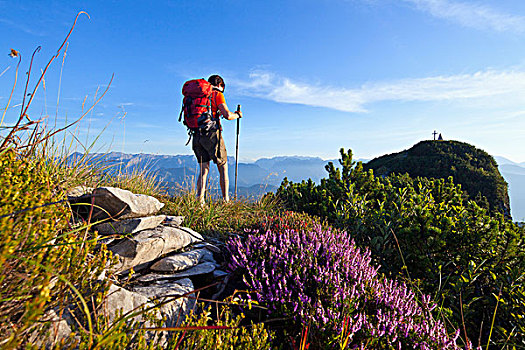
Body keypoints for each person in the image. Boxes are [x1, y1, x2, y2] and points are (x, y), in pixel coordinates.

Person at [192, 74, 242, 204]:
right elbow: (226, 115)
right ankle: (226, 201)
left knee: (204, 169)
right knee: (223, 166)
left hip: (196, 133)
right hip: (212, 134)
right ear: (221, 85)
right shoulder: (217, 94)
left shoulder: (200, 96)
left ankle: (200, 201)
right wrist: (237, 115)